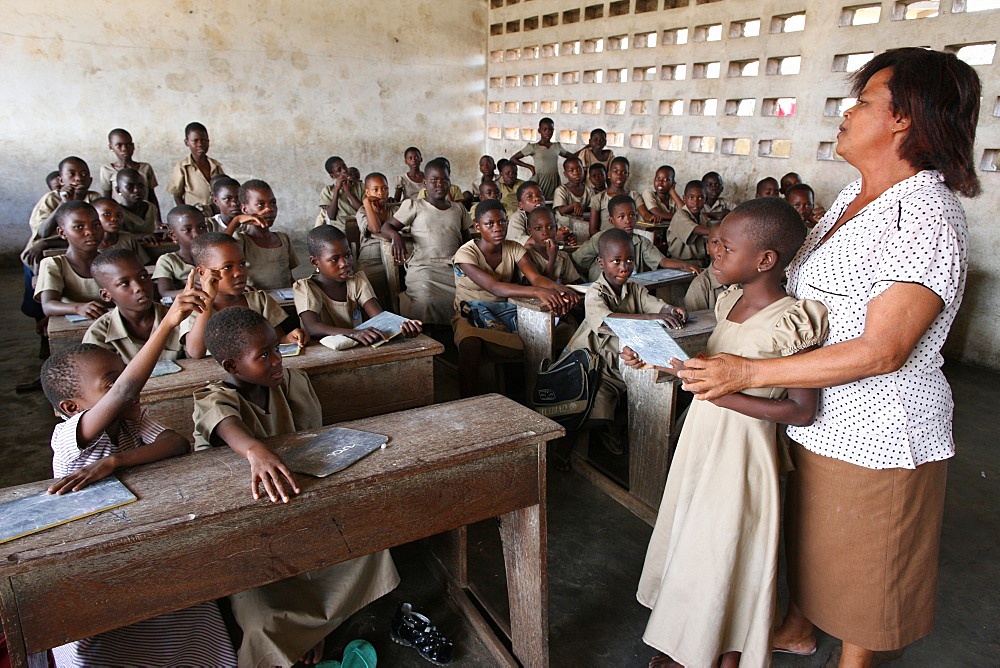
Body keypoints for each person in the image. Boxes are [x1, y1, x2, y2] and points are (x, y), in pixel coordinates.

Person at [670, 48, 981, 668]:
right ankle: (797, 627)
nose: (847, 112)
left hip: (880, 427)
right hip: (818, 411)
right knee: (816, 542)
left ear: (904, 119)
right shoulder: (852, 200)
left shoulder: (923, 214)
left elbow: (883, 349)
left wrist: (748, 372)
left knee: (870, 560)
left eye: (864, 101)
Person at [630, 198, 828, 668]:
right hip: (704, 441)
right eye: (715, 244)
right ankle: (695, 646)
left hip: (743, 454)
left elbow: (800, 410)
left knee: (728, 554)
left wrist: (723, 395)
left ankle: (724, 652)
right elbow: (715, 369)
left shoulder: (794, 321)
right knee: (698, 543)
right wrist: (658, 358)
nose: (714, 254)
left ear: (764, 260)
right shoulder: (728, 302)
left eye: (725, 248)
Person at [42, 275, 236, 667]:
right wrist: (167, 325)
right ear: (70, 407)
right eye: (109, 382)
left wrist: (116, 461)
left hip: (144, 548)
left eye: (122, 373)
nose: (125, 385)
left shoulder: (130, 422)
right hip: (95, 571)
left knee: (196, 612)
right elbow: (126, 392)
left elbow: (176, 443)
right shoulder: (67, 438)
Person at [192, 306, 399, 667]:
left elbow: (317, 440)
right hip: (250, 537)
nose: (277, 360)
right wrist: (256, 452)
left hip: (302, 511)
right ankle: (294, 641)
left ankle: (312, 634)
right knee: (263, 618)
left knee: (368, 551)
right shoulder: (213, 397)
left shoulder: (290, 382)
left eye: (276, 348)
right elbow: (224, 423)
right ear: (231, 367)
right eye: (264, 355)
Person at [563, 228, 686, 458]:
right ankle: (564, 445)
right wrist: (652, 317)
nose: (624, 266)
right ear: (601, 263)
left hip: (624, 364)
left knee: (644, 400)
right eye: (616, 261)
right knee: (596, 414)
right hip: (593, 367)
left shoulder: (635, 288)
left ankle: (614, 429)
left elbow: (656, 305)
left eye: (629, 260)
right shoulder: (596, 293)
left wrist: (671, 309)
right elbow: (608, 320)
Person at [452, 199, 579, 397]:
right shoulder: (466, 253)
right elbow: (495, 288)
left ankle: (535, 394)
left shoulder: (514, 248)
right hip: (470, 314)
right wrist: (538, 292)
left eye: (502, 222)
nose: (498, 228)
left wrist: (563, 291)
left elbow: (536, 278)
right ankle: (467, 402)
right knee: (470, 343)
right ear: (477, 227)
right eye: (490, 224)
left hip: (506, 312)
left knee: (542, 335)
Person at [182, 232, 307, 358]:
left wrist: (291, 338)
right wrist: (208, 300)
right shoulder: (194, 306)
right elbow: (196, 352)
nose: (238, 272)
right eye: (227, 267)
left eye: (242, 264)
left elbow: (277, 339)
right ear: (202, 272)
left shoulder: (259, 300)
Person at [381, 158, 471, 326]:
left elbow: (468, 242)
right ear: (424, 183)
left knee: (467, 297)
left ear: (450, 182)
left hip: (452, 269)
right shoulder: (414, 205)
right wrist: (396, 236)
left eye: (444, 180)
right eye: (434, 180)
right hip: (425, 268)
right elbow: (386, 227)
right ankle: (427, 338)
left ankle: (457, 339)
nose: (439, 184)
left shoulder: (458, 209)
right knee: (426, 297)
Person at [294, 225, 421, 342]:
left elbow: (379, 318)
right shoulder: (306, 288)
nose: (344, 263)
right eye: (335, 259)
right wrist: (354, 333)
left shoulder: (357, 281)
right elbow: (313, 328)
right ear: (315, 262)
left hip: (355, 348)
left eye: (348, 255)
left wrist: (401, 326)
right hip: (321, 353)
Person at [85, 249, 186, 362]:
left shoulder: (179, 318)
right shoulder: (99, 335)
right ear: (106, 295)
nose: (139, 287)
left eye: (143, 277)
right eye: (124, 283)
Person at [574, 195, 700, 282]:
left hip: (631, 288)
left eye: (632, 215)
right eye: (621, 217)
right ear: (612, 220)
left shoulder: (641, 242)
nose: (628, 221)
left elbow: (662, 261)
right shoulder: (600, 239)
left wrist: (683, 265)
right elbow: (577, 262)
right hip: (601, 289)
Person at [34, 201, 108, 320]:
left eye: (96, 225)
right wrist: (78, 308)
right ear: (62, 233)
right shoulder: (55, 264)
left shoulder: (112, 262)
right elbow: (48, 305)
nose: (90, 231)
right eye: (79, 227)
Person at [226, 179, 298, 290]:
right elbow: (217, 246)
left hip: (285, 302)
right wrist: (236, 220)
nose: (269, 209)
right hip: (258, 301)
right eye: (261, 204)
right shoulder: (241, 240)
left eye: (273, 203)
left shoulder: (283, 239)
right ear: (245, 209)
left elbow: (289, 276)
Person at [356, 171, 398, 307]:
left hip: (395, 258)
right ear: (367, 192)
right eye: (375, 189)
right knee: (374, 290)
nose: (381, 193)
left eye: (385, 188)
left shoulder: (394, 209)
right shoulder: (362, 211)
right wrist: (367, 204)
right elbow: (375, 229)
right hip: (372, 261)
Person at [99, 128, 161, 217]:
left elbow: (152, 196)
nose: (124, 149)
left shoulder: (145, 168)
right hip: (120, 216)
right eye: (119, 145)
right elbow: (107, 199)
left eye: (128, 144)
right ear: (111, 147)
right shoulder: (106, 169)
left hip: (144, 214)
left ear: (133, 146)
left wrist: (157, 220)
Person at [509, 117, 575, 200]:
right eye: (545, 129)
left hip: (553, 181)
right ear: (539, 130)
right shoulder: (533, 147)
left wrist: (586, 148)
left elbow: (572, 157)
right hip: (540, 180)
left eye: (551, 130)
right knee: (537, 200)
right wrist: (530, 167)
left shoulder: (557, 146)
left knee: (554, 202)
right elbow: (513, 159)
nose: (548, 132)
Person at [167, 122, 224, 211]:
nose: (200, 144)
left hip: (216, 214)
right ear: (187, 143)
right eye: (195, 141)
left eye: (204, 140)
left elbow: (223, 188)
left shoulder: (215, 165)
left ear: (208, 142)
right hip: (195, 215)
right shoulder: (182, 167)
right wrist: (186, 212)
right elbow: (177, 195)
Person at [154, 205, 207, 298]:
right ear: (173, 235)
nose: (196, 234)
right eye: (187, 230)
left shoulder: (214, 256)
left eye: (201, 227)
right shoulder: (168, 261)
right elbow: (164, 293)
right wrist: (188, 290)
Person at [683, 223, 726, 313]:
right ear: (707, 248)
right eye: (715, 242)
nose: (721, 249)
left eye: (726, 243)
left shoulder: (746, 280)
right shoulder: (699, 286)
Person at [666, 180, 711, 265]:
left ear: (706, 200)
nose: (696, 202)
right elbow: (695, 229)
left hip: (701, 263)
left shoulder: (704, 219)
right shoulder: (679, 215)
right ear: (684, 198)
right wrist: (717, 232)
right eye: (691, 197)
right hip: (680, 264)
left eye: (700, 198)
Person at [93, 198, 150, 264]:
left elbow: (144, 265)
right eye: (107, 214)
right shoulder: (89, 245)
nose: (114, 218)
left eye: (119, 215)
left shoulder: (128, 239)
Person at [590, 156, 634, 235]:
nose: (619, 175)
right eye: (615, 171)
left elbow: (644, 216)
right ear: (609, 174)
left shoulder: (634, 196)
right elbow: (593, 230)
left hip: (628, 240)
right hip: (605, 240)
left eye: (624, 172)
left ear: (628, 175)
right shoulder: (598, 198)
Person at [319, 156, 364, 229]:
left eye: (344, 166)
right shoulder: (327, 191)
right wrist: (336, 190)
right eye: (339, 170)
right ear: (332, 176)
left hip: (361, 227)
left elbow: (364, 211)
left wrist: (348, 192)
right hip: (340, 231)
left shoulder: (361, 186)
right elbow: (331, 216)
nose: (344, 171)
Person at [552, 156, 592, 232]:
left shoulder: (589, 190)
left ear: (584, 170)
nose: (576, 173)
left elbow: (593, 208)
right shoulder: (561, 190)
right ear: (565, 174)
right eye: (571, 171)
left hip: (582, 224)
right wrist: (574, 205)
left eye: (579, 169)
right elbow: (561, 211)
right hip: (564, 227)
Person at [116, 168, 161, 234]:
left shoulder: (151, 208)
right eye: (130, 187)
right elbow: (116, 237)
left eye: (141, 186)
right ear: (118, 190)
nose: (137, 190)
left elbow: (151, 233)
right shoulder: (116, 212)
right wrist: (140, 237)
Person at [506, 181, 546, 246]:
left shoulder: (547, 215)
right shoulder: (517, 217)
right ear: (520, 205)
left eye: (540, 195)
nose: (537, 198)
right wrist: (551, 239)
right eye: (530, 197)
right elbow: (520, 241)